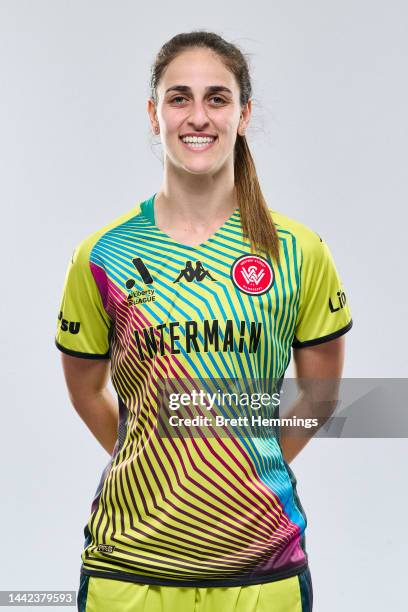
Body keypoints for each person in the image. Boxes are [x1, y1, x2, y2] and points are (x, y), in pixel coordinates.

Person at [55, 30, 353, 612]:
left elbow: (319, 398)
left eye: (217, 98)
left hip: (262, 568)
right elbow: (86, 392)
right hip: (128, 565)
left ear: (243, 115)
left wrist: (242, 454)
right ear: (153, 114)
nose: (199, 116)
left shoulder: (298, 250)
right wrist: (164, 458)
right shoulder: (103, 254)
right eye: (179, 97)